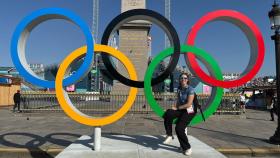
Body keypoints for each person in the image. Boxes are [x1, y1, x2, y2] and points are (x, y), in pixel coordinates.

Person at [163, 73, 195, 156]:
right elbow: (179, 101)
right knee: (168, 113)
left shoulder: (190, 89)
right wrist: (173, 108)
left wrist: (177, 108)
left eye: (185, 78)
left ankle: (187, 147)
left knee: (179, 128)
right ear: (180, 80)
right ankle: (169, 135)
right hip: (181, 109)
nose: (183, 79)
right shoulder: (179, 89)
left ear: (187, 80)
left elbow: (189, 104)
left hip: (189, 111)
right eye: (181, 78)